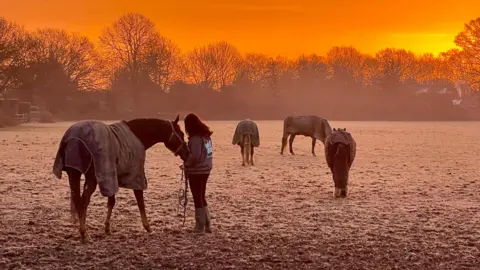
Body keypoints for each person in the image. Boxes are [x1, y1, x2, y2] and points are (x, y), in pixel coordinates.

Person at [183, 113, 213, 233]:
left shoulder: (195, 139)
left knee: (197, 197)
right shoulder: (206, 137)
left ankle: (199, 226)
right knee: (201, 196)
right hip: (206, 169)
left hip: (196, 171)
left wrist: (186, 165)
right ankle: (207, 224)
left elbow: (194, 157)